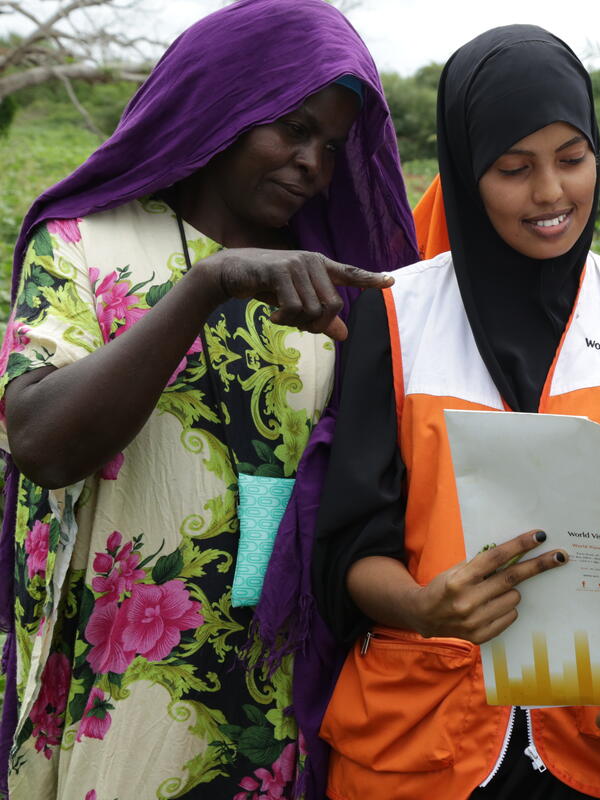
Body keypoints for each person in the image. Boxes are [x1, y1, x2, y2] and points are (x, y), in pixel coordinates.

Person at [310, 25, 600, 800]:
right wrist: (425, 606)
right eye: (513, 168)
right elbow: (354, 544)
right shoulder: (395, 313)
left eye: (573, 158)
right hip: (418, 749)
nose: (552, 193)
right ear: (463, 171)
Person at [0, 1, 418, 796]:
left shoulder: (327, 287)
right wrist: (206, 284)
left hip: (269, 699)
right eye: (292, 129)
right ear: (226, 102)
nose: (312, 165)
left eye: (331, 146)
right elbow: (42, 443)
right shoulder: (90, 242)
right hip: (115, 694)